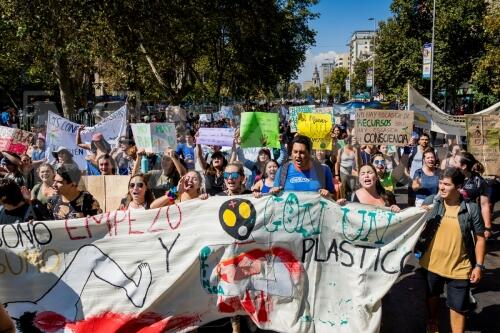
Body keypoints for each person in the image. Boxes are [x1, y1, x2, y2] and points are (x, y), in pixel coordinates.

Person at [416, 167, 485, 333]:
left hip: (460, 268)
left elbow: (480, 238)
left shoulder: (471, 209)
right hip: (431, 263)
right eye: (440, 183)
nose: (441, 187)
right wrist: (421, 216)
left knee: (458, 307)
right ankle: (432, 320)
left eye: (446, 184)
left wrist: (479, 266)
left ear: (459, 187)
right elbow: (413, 226)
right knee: (432, 296)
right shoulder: (431, 202)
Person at [454, 152, 493, 239]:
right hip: (452, 215)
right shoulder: (451, 177)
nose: (452, 163)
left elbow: (484, 205)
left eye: (455, 162)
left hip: (470, 217)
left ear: (463, 166)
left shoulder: (478, 181)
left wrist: (487, 227)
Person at [406, 133, 432, 206]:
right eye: (422, 139)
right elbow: (405, 161)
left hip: (426, 178)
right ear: (419, 141)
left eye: (426, 140)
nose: (424, 141)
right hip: (413, 178)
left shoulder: (432, 151)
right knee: (411, 198)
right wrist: (406, 171)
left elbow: (436, 162)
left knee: (425, 199)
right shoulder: (413, 149)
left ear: (429, 141)